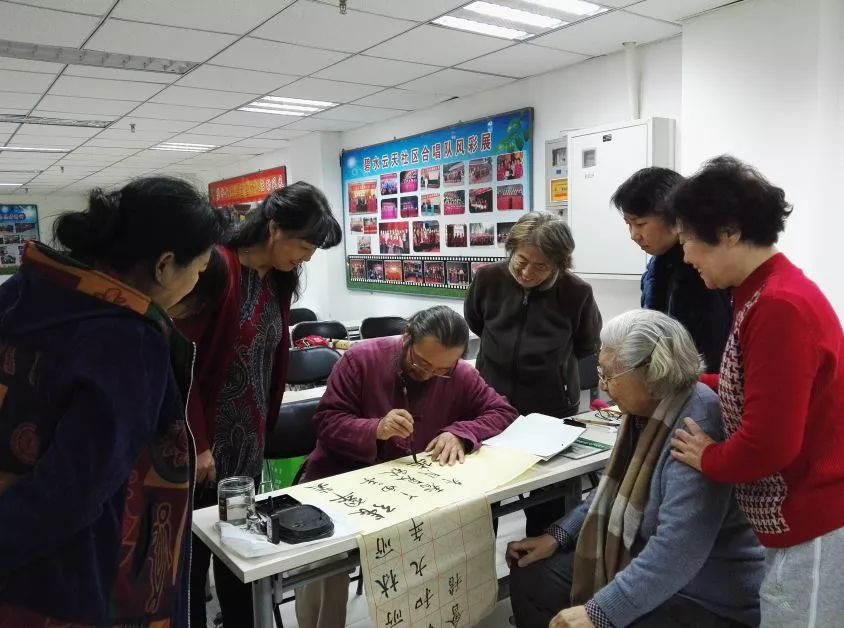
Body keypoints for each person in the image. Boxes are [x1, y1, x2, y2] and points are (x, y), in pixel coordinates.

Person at [0, 177, 225, 626]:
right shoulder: (126, 338)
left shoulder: (24, 294)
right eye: (198, 269)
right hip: (67, 579)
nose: (197, 282)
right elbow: (73, 490)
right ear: (164, 265)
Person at [668, 156, 844, 626]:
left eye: (688, 240)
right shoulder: (760, 293)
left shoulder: (779, 305)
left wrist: (707, 456)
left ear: (727, 232)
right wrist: (679, 381)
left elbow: (769, 443)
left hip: (813, 516)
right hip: (795, 518)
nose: (685, 256)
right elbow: (750, 387)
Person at [509, 309, 765, 628]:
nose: (603, 387)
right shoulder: (645, 413)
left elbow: (676, 552)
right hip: (643, 559)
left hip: (701, 593)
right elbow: (609, 493)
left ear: (652, 374)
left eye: (608, 376)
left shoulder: (694, 428)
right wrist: (559, 535)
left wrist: (600, 612)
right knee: (530, 578)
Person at [177, 181, 342, 628]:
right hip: (203, 449)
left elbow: (271, 358)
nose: (307, 257)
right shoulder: (218, 269)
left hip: (246, 441)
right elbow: (182, 363)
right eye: (304, 244)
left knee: (240, 555)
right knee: (190, 563)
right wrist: (200, 442)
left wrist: (262, 428)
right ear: (274, 228)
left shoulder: (281, 279)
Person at [295, 306, 518, 628]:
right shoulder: (361, 360)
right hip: (344, 477)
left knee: (457, 524)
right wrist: (375, 429)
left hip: (411, 486)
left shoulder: (459, 373)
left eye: (442, 369)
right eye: (421, 363)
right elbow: (328, 423)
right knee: (323, 555)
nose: (428, 374)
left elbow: (502, 412)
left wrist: (461, 432)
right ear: (407, 338)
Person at [465, 211, 602, 536]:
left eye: (540, 267)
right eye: (521, 261)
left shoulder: (576, 292)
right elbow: (476, 322)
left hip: (550, 407)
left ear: (559, 264)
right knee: (484, 497)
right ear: (511, 250)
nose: (526, 272)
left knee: (548, 498)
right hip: (490, 403)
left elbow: (587, 344)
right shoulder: (489, 279)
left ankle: (538, 572)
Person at [611, 167, 732, 372]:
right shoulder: (657, 265)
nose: (634, 234)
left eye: (640, 223)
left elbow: (713, 350)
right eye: (628, 224)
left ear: (675, 218)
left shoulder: (706, 272)